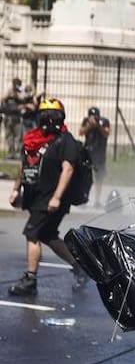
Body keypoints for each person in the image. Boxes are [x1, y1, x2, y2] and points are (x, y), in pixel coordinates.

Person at [8, 98, 88, 296]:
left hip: (52, 198)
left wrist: (57, 197)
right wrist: (16, 189)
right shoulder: (31, 140)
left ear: (61, 118)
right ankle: (80, 268)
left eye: (54, 116)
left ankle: (30, 279)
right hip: (36, 196)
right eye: (45, 115)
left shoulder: (66, 140)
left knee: (32, 233)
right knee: (47, 235)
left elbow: (68, 169)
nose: (49, 120)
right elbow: (24, 165)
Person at [78, 106, 111, 205]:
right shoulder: (86, 121)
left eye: (95, 116)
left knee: (99, 178)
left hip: (99, 154)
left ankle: (97, 200)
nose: (93, 118)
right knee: (84, 177)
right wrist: (89, 126)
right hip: (87, 153)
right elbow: (80, 132)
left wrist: (98, 125)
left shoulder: (104, 122)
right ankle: (83, 198)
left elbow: (107, 133)